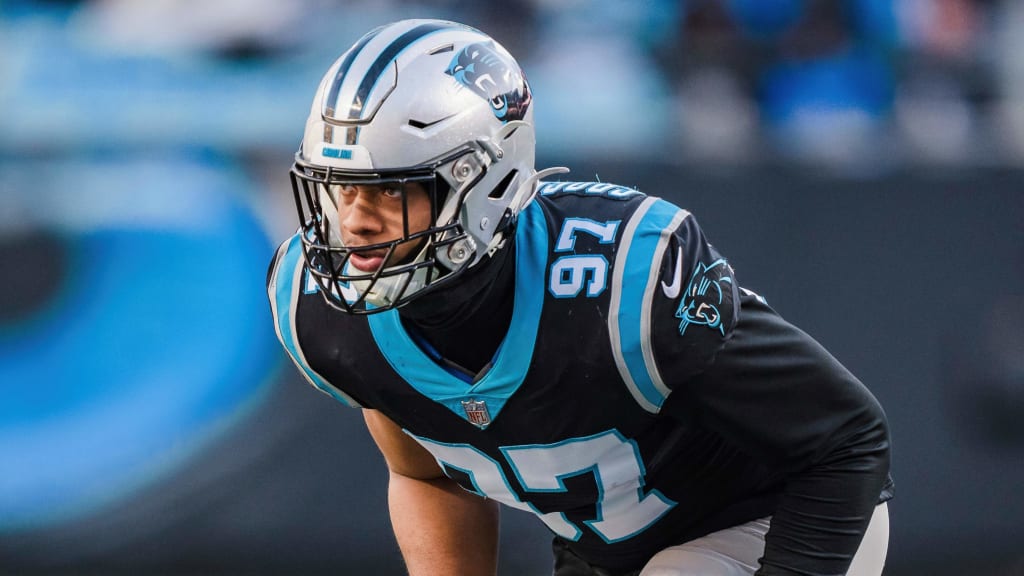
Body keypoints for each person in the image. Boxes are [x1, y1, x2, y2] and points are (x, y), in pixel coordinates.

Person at [267, 18, 893, 576]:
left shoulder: (620, 275)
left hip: (776, 517)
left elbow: (846, 441)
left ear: (482, 183)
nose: (353, 224)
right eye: (339, 189)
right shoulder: (321, 311)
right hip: (609, 551)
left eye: (388, 192)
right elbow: (425, 473)